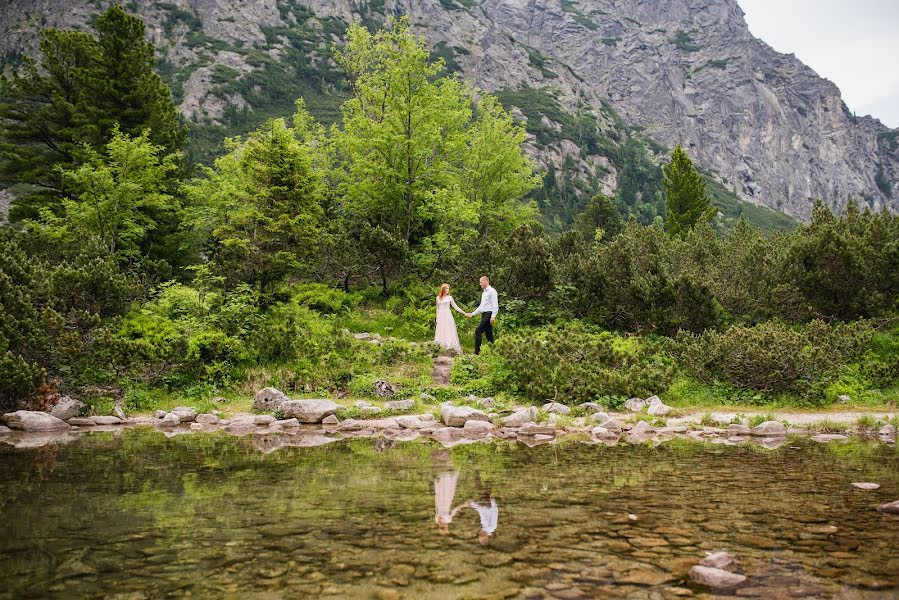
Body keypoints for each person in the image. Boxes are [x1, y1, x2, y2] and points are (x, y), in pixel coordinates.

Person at [465, 276, 498, 355]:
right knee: (488, 333)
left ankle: (477, 352)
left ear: (486, 281)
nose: (480, 284)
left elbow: (495, 305)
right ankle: (495, 351)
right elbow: (481, 307)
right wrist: (472, 314)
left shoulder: (492, 291)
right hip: (484, 314)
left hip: (489, 314)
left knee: (478, 331)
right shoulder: (484, 293)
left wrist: (493, 316)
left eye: (481, 282)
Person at [434, 283, 466, 354]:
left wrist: (464, 313)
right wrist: (437, 318)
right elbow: (437, 309)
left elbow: (456, 307)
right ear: (443, 289)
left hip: (447, 315)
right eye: (446, 288)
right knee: (441, 329)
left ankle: (449, 346)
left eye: (448, 288)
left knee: (448, 329)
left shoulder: (449, 298)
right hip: (440, 316)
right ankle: (441, 345)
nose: (448, 290)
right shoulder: (438, 298)